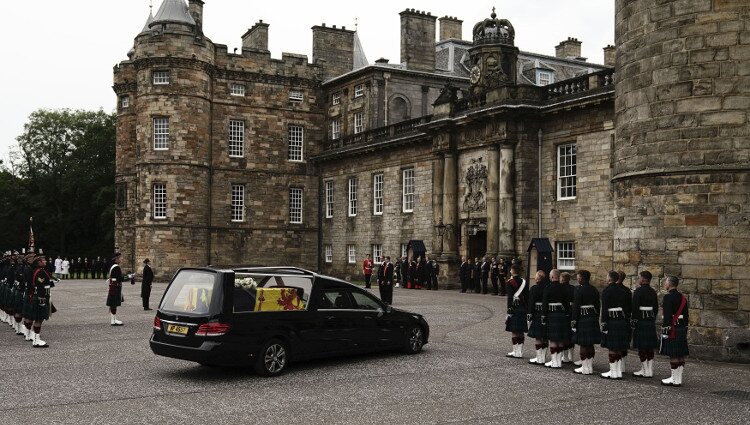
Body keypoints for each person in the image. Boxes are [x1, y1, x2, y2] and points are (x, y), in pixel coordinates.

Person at [600, 270, 632, 379]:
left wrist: (604, 323)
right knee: (618, 347)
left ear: (610, 279)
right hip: (622, 321)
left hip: (612, 321)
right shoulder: (624, 291)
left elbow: (604, 309)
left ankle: (613, 372)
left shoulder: (607, 291)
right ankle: (618, 371)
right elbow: (628, 307)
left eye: (607, 277)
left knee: (612, 347)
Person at [660, 275, 689, 387]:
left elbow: (667, 316)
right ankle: (678, 378)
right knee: (680, 354)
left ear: (670, 284)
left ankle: (674, 378)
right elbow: (686, 315)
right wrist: (685, 328)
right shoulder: (682, 297)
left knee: (673, 354)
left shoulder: (668, 297)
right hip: (681, 328)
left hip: (672, 328)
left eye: (666, 282)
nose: (665, 284)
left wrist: (665, 330)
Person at [572, 270, 600, 375]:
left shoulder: (578, 289)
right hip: (592, 317)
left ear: (582, 278)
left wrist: (574, 321)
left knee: (583, 344)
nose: (577, 278)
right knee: (590, 343)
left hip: (583, 318)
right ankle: (589, 367)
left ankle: (585, 368)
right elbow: (598, 305)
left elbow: (576, 306)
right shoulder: (594, 289)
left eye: (578, 277)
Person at [631, 270, 658, 378]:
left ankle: (645, 370)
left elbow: (635, 309)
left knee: (642, 347)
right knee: (650, 347)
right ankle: (649, 370)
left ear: (643, 279)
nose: (638, 280)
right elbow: (655, 308)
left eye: (639, 278)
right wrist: (651, 318)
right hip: (650, 321)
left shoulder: (638, 291)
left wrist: (634, 321)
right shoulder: (653, 292)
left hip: (641, 321)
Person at [542, 269, 570, 368]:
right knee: (560, 339)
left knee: (553, 339)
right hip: (561, 314)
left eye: (550, 276)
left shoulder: (548, 288)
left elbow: (545, 304)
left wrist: (543, 316)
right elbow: (567, 303)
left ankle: (554, 362)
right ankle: (559, 361)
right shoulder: (564, 288)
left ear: (553, 277)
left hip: (552, 314)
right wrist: (566, 314)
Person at [28, 253, 54, 347]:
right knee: (39, 319)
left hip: (42, 297)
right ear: (39, 262)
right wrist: (41, 300)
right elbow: (40, 287)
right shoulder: (40, 272)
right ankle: (36, 340)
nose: (45, 261)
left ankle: (36, 338)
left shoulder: (41, 270)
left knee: (40, 319)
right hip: (41, 298)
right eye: (43, 260)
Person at [505, 264, 528, 358]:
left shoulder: (510, 282)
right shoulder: (524, 282)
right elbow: (527, 296)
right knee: (521, 330)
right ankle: (520, 352)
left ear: (512, 271)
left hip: (514, 307)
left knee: (514, 330)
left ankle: (515, 352)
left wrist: (509, 308)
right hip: (523, 307)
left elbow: (510, 297)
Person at [106, 252, 134, 326]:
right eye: (120, 258)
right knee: (114, 304)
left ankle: (113, 319)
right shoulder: (116, 267)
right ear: (116, 259)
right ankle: (113, 320)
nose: (121, 259)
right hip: (115, 287)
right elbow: (119, 279)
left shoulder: (113, 266)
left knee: (113, 304)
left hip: (113, 286)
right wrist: (129, 277)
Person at [527, 270, 549, 365]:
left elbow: (531, 303)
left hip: (537, 312)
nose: (535, 278)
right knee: (544, 336)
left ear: (538, 278)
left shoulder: (534, 288)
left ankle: (539, 358)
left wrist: (529, 314)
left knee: (538, 337)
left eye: (536, 276)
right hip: (547, 313)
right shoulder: (548, 287)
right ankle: (542, 357)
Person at [560, 272, 578, 365]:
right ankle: (571, 357)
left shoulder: (560, 288)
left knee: (564, 335)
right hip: (572, 312)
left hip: (563, 312)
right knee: (571, 334)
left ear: (562, 279)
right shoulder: (573, 288)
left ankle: (565, 357)